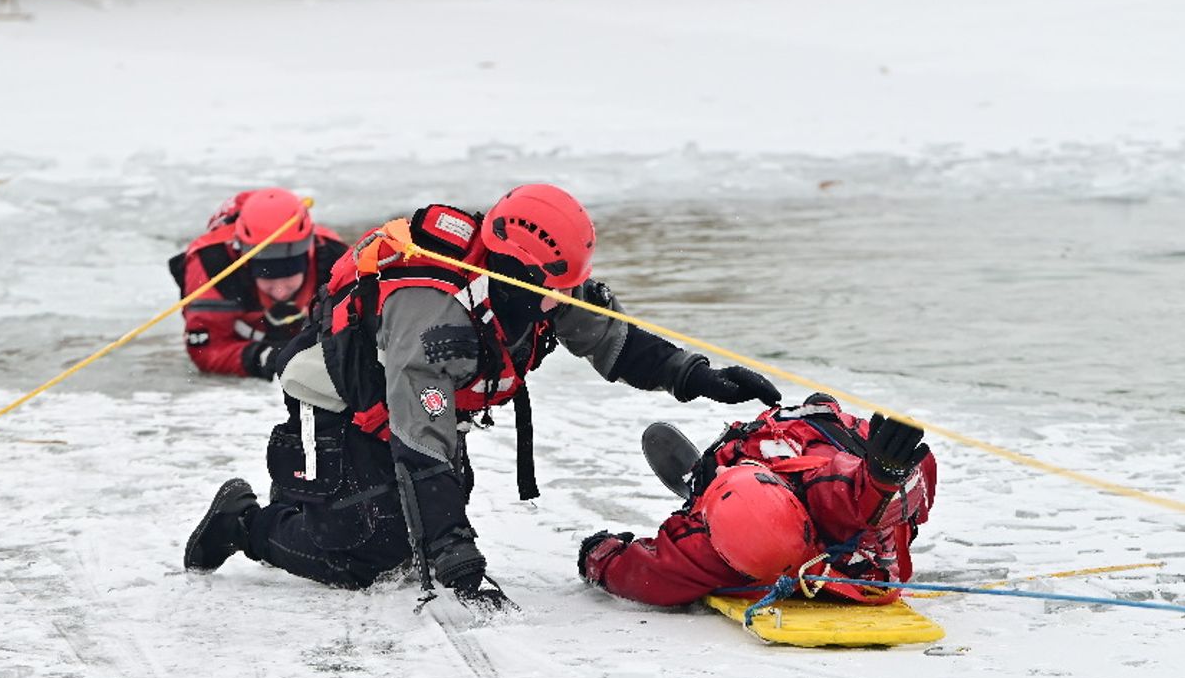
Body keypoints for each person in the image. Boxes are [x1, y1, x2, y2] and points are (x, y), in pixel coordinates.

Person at [183, 183, 782, 602]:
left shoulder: (537, 288)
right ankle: (242, 524)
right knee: (365, 547)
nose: (567, 299)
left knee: (416, 528)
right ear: (521, 273)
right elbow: (423, 437)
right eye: (559, 288)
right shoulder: (438, 319)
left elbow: (613, 341)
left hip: (414, 400)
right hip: (339, 397)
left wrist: (700, 377)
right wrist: (455, 555)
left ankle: (393, 532)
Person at [578, 394, 938, 606]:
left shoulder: (703, 549)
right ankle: (710, 480)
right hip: (856, 554)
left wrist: (599, 555)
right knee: (872, 491)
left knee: (857, 482)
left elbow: (643, 573)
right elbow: (854, 491)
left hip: (819, 534)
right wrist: (884, 478)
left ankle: (702, 485)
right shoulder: (825, 488)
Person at [170, 187, 348, 379]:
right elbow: (205, 350)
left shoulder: (335, 259)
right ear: (245, 262)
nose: (280, 292)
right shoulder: (212, 265)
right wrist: (259, 357)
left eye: (289, 276)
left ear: (310, 255)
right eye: (267, 276)